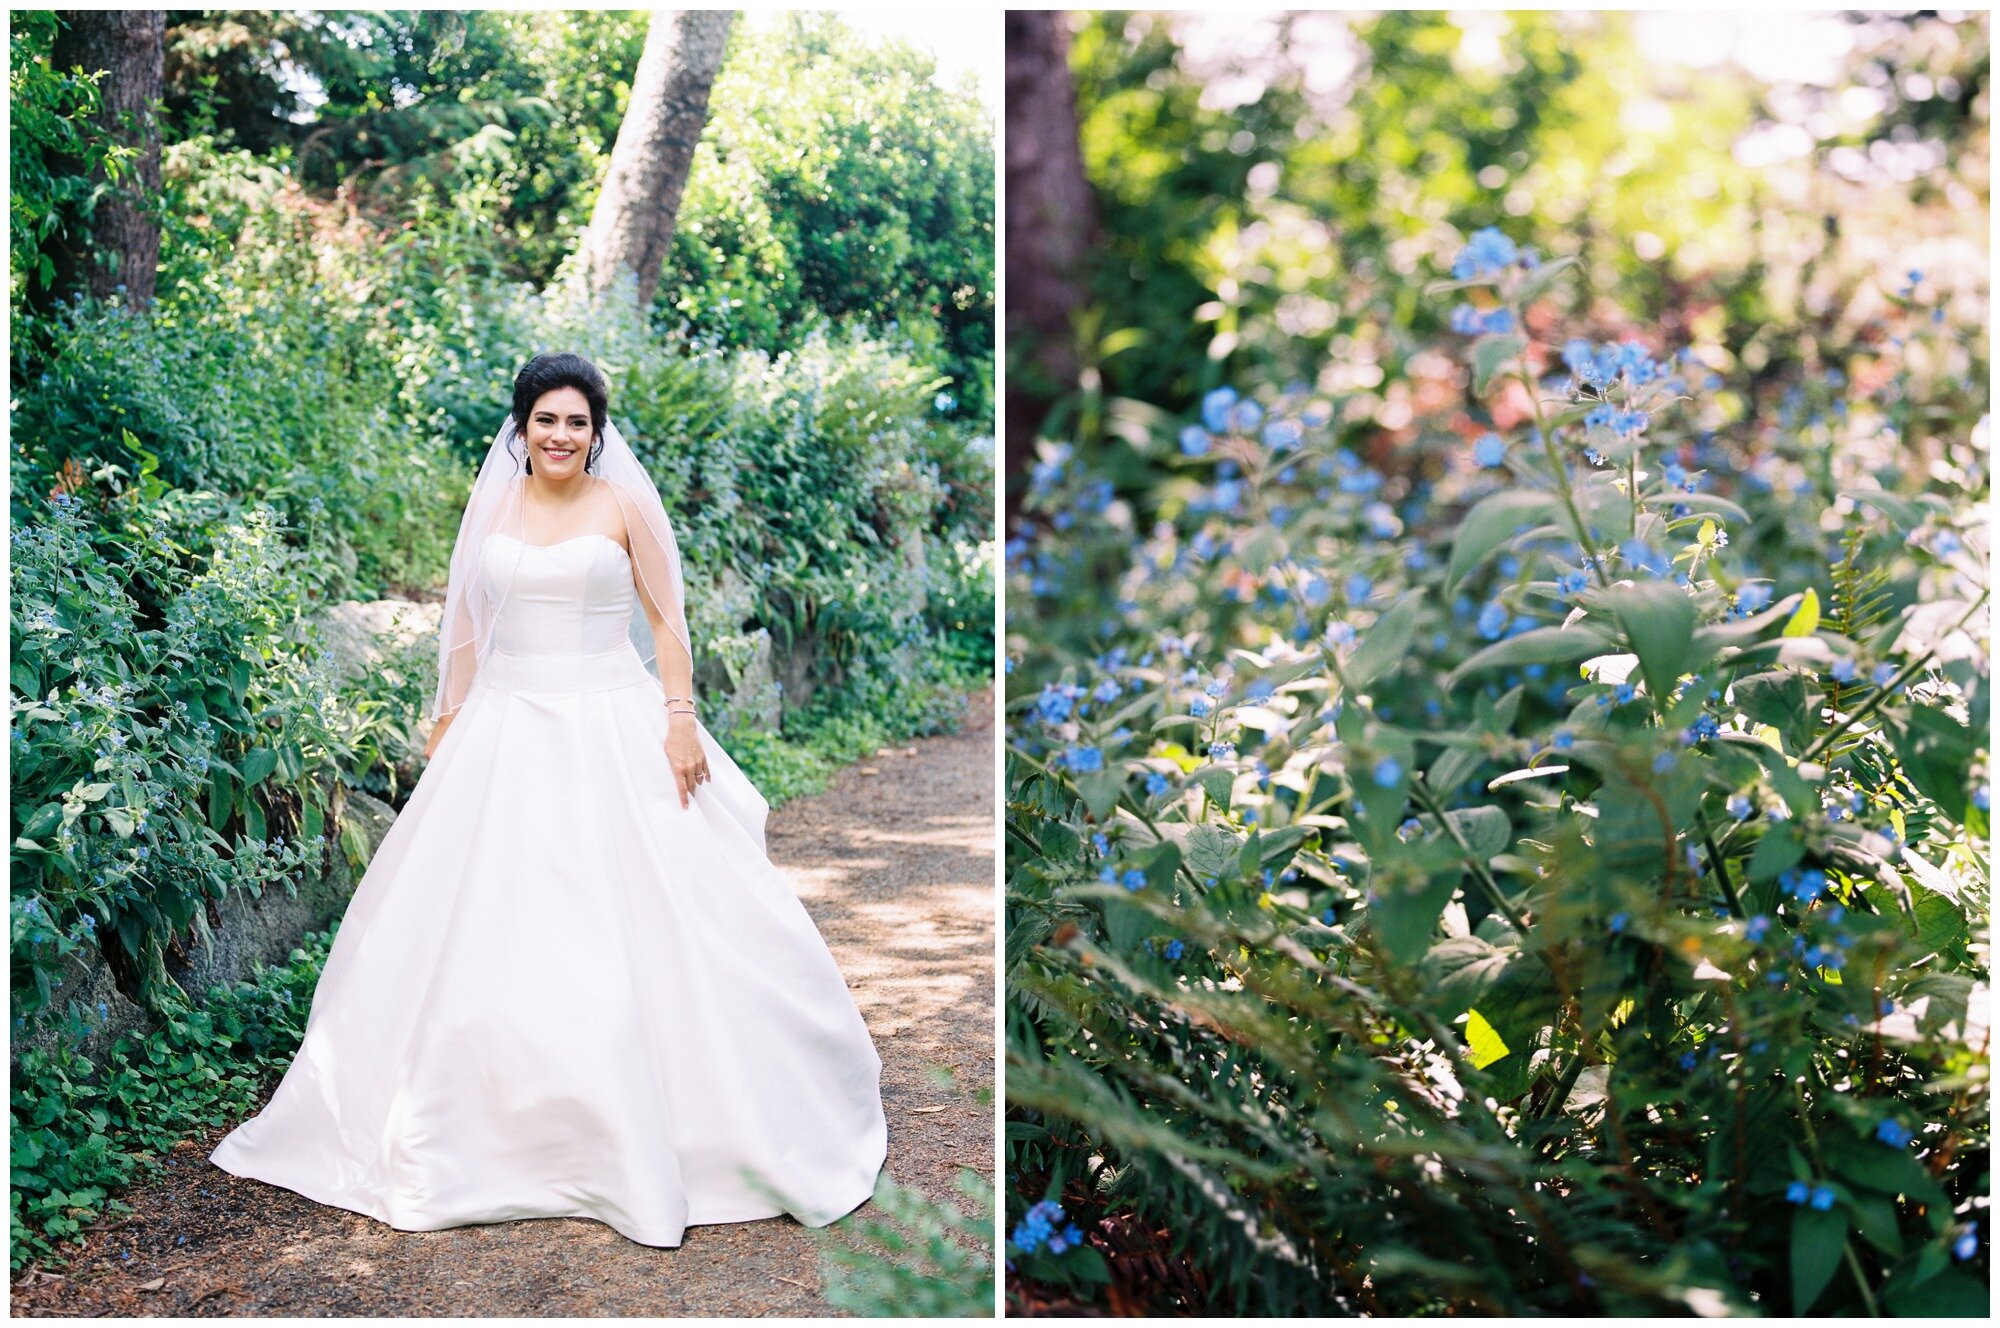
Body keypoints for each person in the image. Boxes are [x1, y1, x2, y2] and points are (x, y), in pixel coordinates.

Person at [209, 352, 887, 1247]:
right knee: (482, 921)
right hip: (502, 725)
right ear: (520, 429)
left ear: (595, 433)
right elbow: (465, 623)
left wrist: (680, 719)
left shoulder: (622, 506)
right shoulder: (495, 504)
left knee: (644, 918)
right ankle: (484, 1118)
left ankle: (676, 1118)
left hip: (611, 718)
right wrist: (446, 720)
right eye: (546, 420)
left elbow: (666, 622)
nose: (561, 436)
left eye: (576, 422)